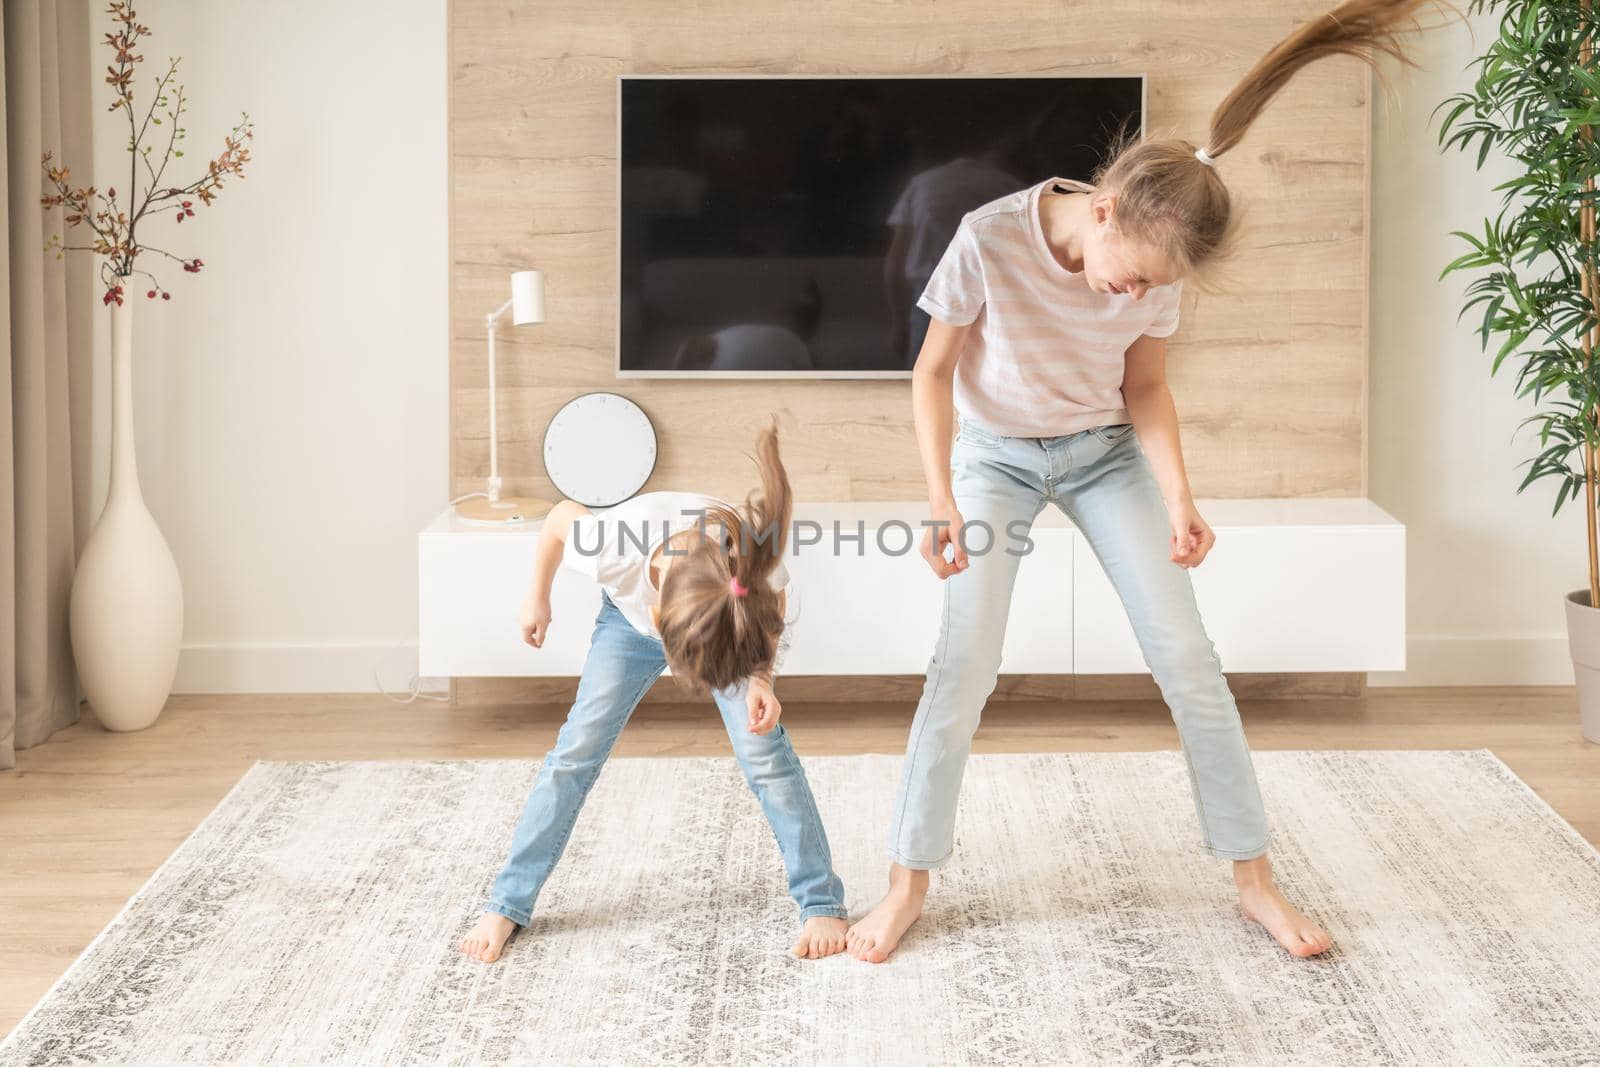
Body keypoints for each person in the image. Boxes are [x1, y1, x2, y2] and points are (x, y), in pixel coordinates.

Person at [847, 0, 1436, 963]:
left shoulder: (1155, 272)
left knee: (1189, 660)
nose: (1135, 294)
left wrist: (1180, 497)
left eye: (1154, 287)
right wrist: (942, 498)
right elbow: (932, 371)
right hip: (993, 456)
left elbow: (1147, 387)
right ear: (1105, 210)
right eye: (1132, 277)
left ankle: (1256, 881)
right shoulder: (989, 236)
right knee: (965, 666)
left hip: (1102, 451)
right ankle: (905, 883)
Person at [458, 425, 850, 963]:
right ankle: (507, 901)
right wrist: (537, 598)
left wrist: (759, 677)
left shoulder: (750, 566)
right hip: (626, 625)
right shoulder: (611, 549)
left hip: (722, 626)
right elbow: (556, 518)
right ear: (657, 614)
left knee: (766, 752)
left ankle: (821, 900)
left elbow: (771, 606)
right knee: (576, 752)